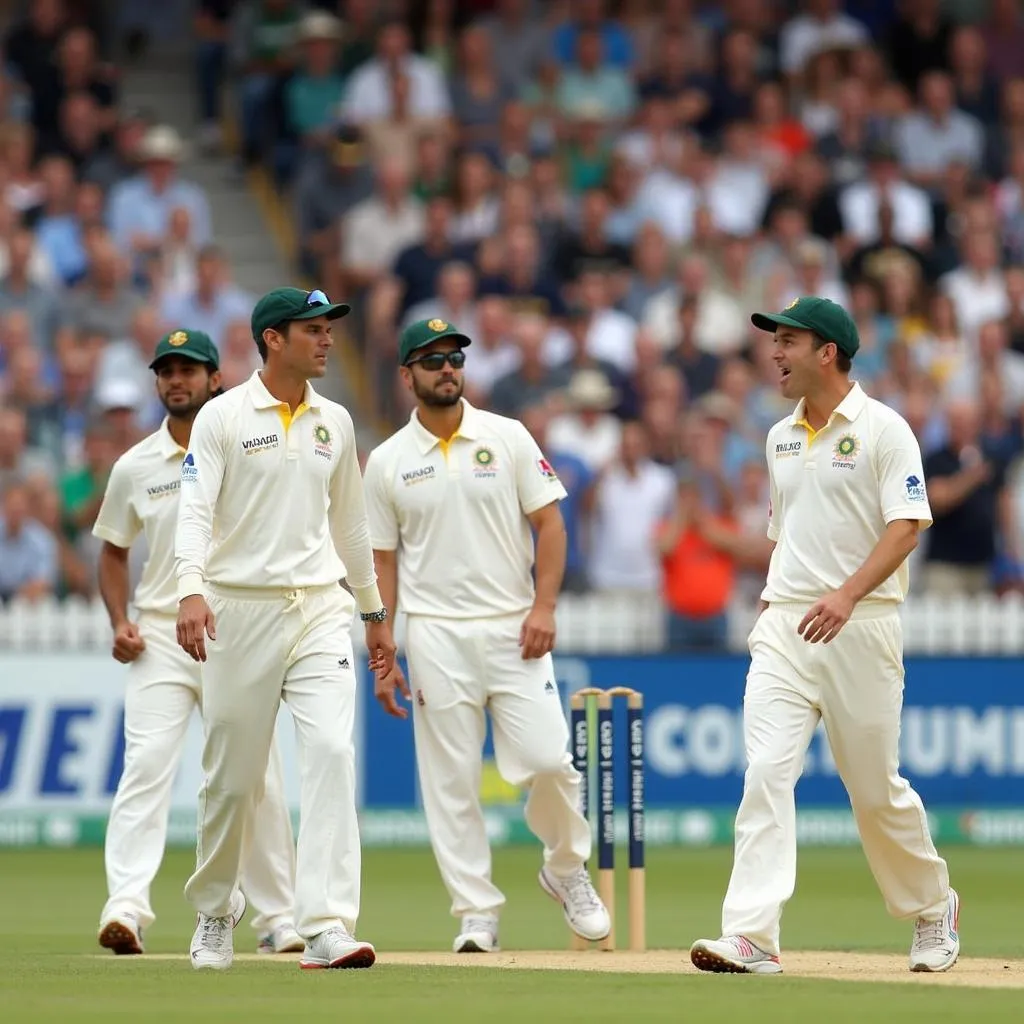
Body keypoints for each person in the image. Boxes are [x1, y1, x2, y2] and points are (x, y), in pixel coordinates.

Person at [689, 297, 959, 975]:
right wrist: (779, 591)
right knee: (766, 773)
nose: (774, 355)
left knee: (874, 791)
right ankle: (751, 935)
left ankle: (933, 907)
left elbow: (906, 526)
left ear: (827, 352)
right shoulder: (781, 436)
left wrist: (845, 594)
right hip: (786, 625)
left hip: (861, 626)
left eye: (787, 342)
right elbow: (787, 530)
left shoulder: (884, 430)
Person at [363, 317, 610, 954]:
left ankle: (564, 867)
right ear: (407, 375)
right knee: (450, 783)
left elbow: (550, 526)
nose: (447, 368)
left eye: (454, 358)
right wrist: (383, 645)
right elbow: (382, 561)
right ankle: (476, 913)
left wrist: (545, 606)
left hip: (513, 628)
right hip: (435, 635)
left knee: (552, 761)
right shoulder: (388, 461)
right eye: (432, 360)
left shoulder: (508, 437)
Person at [173, 288, 396, 971]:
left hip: (319, 610)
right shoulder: (222, 418)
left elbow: (351, 525)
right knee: (234, 780)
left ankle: (326, 922)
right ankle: (216, 909)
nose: (327, 340)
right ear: (274, 339)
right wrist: (190, 589)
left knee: (331, 751)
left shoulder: (336, 421)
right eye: (313, 330)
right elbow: (195, 510)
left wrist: (374, 613)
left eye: (329, 330)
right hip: (238, 612)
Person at [91, 328, 302, 958]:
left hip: (235, 627)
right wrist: (118, 621)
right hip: (160, 633)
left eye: (190, 370)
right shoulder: (135, 466)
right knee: (147, 766)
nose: (176, 380)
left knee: (256, 775)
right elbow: (112, 551)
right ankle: (125, 907)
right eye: (166, 371)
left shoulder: (247, 444)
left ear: (216, 378)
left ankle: (278, 918)